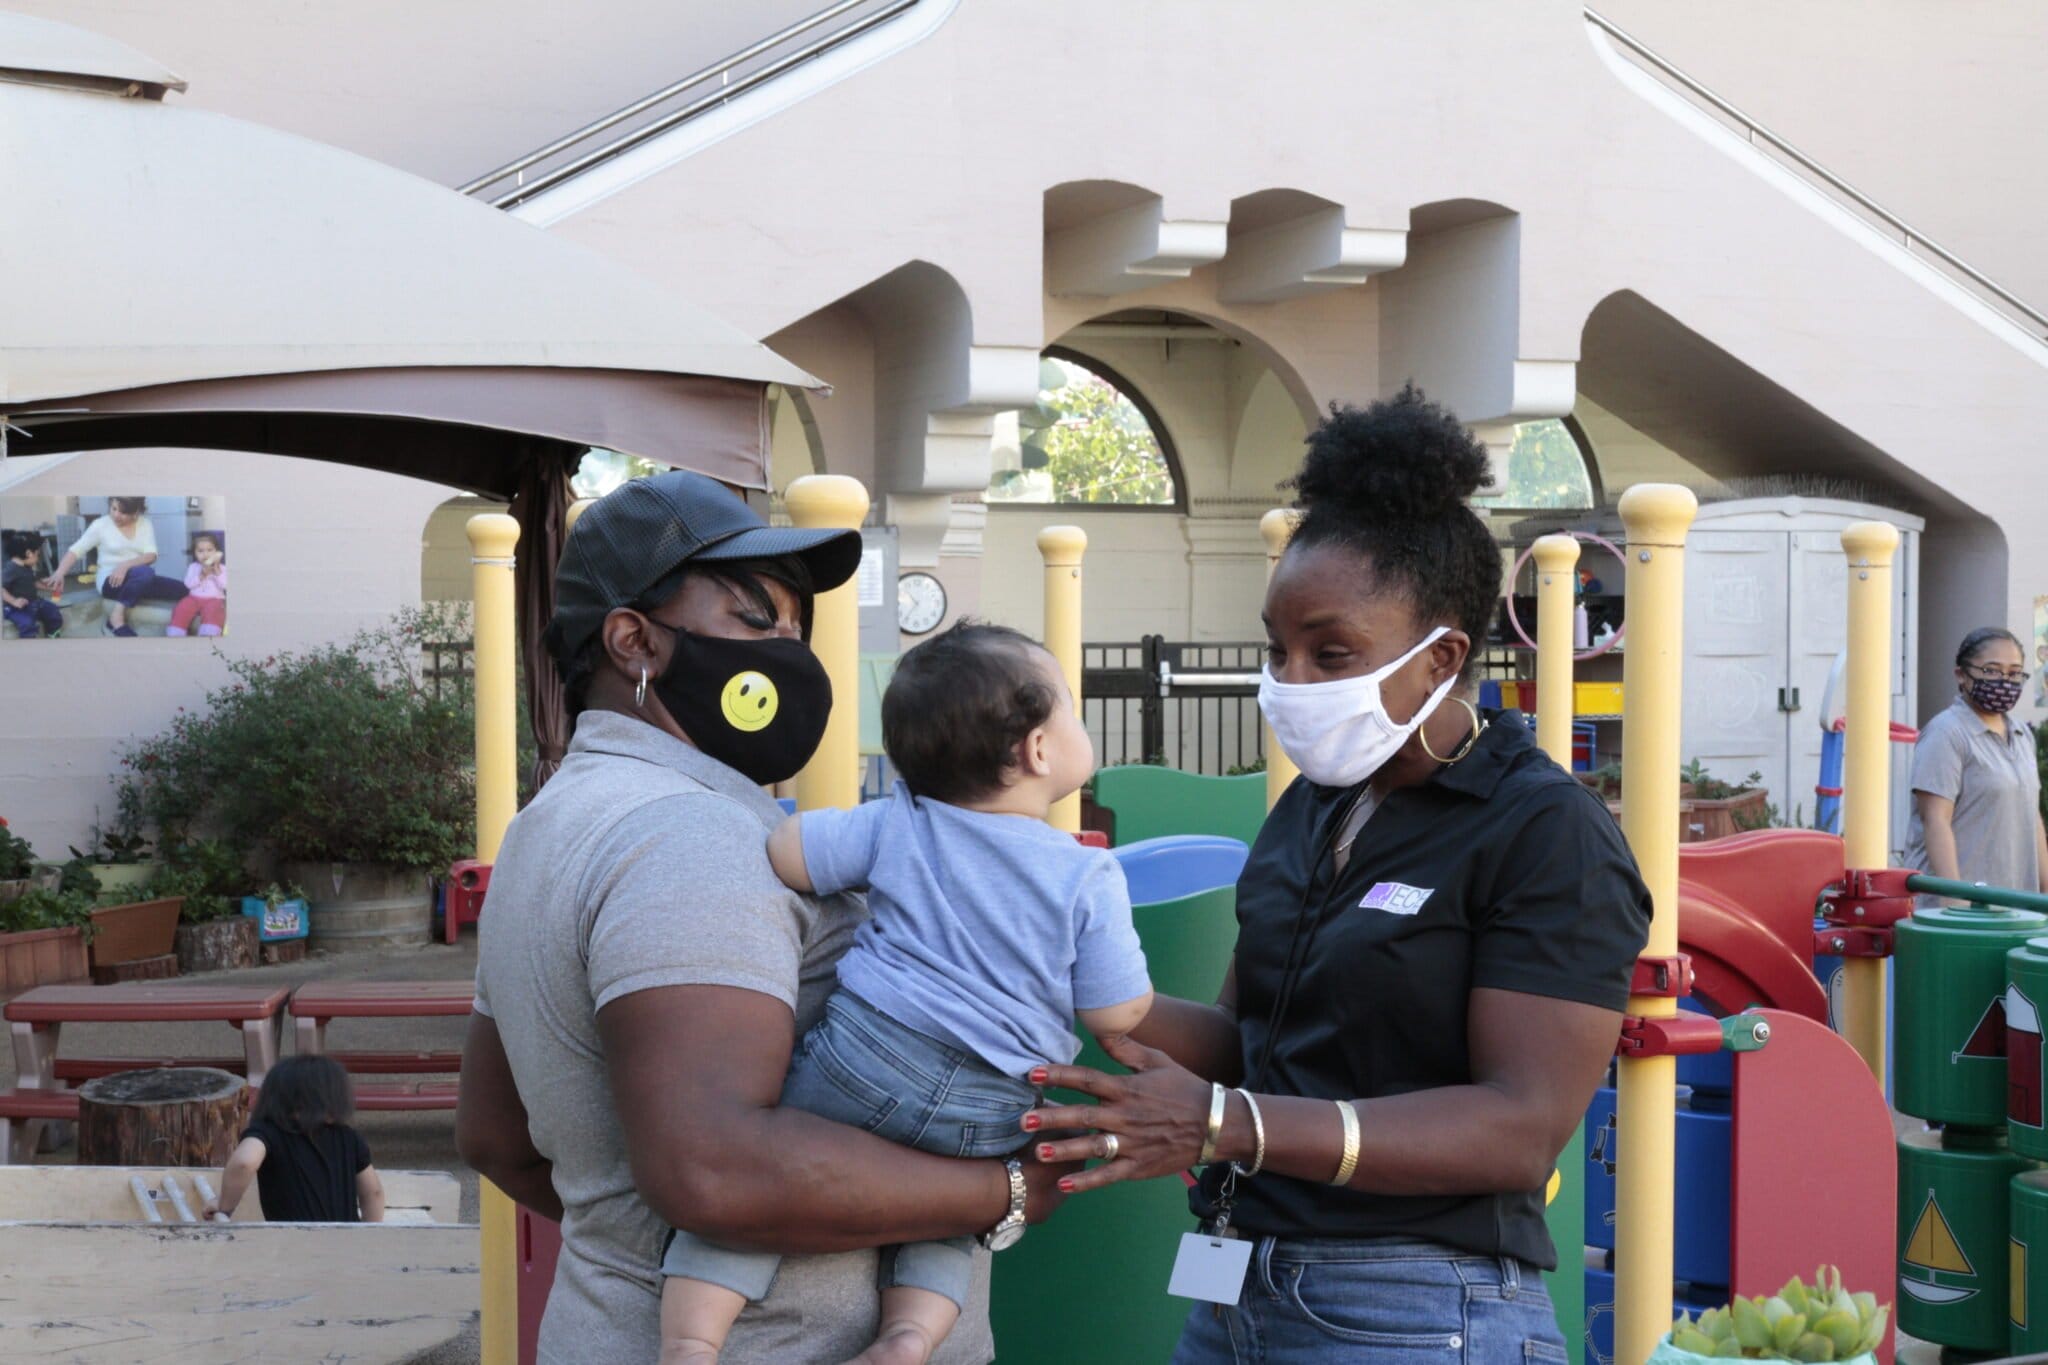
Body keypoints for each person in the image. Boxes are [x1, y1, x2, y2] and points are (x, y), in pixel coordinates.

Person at [1016, 387, 1653, 1363]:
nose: (1291, 683)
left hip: (1417, 1308)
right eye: (1279, 652)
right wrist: (1088, 982)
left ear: (1442, 656)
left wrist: (1228, 1124)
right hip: (1237, 1283)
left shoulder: (1541, 831)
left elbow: (1517, 1127)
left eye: (1332, 653)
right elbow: (1251, 1041)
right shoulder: (1312, 808)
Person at [457, 471, 1074, 1365]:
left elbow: (494, 1133)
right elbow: (713, 1168)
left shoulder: (544, 825)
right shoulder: (689, 834)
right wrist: (1007, 1188)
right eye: (758, 622)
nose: (791, 655)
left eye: (795, 627)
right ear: (634, 641)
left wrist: (632, 1243)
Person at [660, 621, 1152, 1365]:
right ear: (1039, 751)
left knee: (760, 1195)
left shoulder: (902, 821)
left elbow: (790, 855)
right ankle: (907, 1337)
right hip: (995, 1102)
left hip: (864, 1060)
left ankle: (692, 1342)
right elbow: (1115, 1012)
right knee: (948, 1214)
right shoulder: (1087, 874)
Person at [1902, 627, 2048, 900]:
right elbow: (1935, 820)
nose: (2004, 681)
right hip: (1956, 909)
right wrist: (1954, 901)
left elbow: (2032, 815)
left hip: (2014, 905)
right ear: (1961, 674)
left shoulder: (2021, 734)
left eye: (2014, 673)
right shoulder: (1946, 733)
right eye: (1991, 670)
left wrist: (2044, 890)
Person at [203, 1055, 385, 1222]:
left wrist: (224, 1206)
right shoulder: (348, 1137)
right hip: (344, 1241)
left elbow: (244, 1162)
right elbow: (373, 1193)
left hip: (293, 1241)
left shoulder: (268, 1131)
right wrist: (367, 1236)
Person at [39, 496, 186, 636]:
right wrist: (59, 573)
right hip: (110, 581)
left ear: (135, 512)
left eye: (123, 512)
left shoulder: (144, 524)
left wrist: (124, 566)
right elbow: (76, 550)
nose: (116, 515)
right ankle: (116, 619)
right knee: (145, 572)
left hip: (138, 578)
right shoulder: (100, 525)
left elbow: (151, 555)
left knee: (183, 589)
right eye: (113, 508)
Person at [2, 532, 64, 639]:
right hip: (14, 608)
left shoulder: (27, 566)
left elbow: (33, 582)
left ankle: (53, 635)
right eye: (38, 554)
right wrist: (14, 601)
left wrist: (50, 588)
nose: (38, 558)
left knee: (53, 611)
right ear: (29, 553)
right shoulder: (10, 569)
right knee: (28, 623)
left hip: (33, 602)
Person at [167, 531, 228, 637]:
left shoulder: (222, 568)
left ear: (217, 552)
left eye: (210, 550)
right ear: (195, 553)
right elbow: (188, 584)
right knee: (182, 608)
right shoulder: (193, 567)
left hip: (214, 599)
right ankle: (176, 631)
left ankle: (209, 634)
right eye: (200, 551)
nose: (205, 554)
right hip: (194, 598)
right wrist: (201, 575)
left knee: (213, 611)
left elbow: (225, 586)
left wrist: (217, 572)